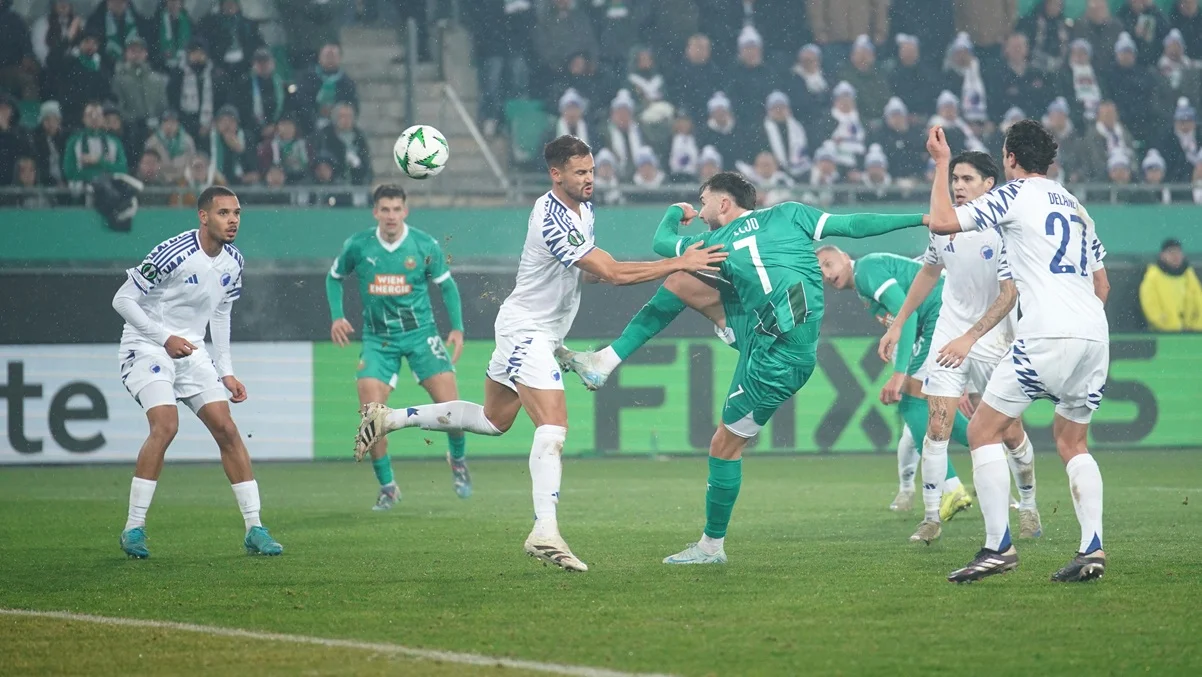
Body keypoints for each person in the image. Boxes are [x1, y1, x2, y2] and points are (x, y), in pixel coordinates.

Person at [351, 135, 727, 572]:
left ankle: (388, 418)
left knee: (494, 421)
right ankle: (544, 531)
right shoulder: (549, 216)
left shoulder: (584, 210)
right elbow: (610, 272)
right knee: (554, 426)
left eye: (591, 171)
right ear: (556, 174)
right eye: (580, 173)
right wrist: (677, 263)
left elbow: (595, 272)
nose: (590, 179)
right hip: (526, 330)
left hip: (539, 333)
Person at [647, 174, 931, 564]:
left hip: (776, 357)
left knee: (724, 445)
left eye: (704, 201)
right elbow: (854, 225)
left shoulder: (717, 241)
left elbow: (662, 244)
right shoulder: (789, 215)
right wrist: (920, 217)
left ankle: (711, 547)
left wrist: (672, 212)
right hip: (775, 346)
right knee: (725, 439)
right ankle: (731, 330)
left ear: (725, 203)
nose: (701, 209)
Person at [925, 120, 1110, 583]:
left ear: (1009, 159)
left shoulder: (1015, 194)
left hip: (1047, 332)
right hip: (1094, 332)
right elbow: (1102, 283)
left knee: (983, 432)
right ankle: (1092, 549)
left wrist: (943, 164)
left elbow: (945, 222)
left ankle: (997, 548)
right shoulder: (1076, 206)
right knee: (1072, 442)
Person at [877, 151, 1041, 544]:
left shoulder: (1005, 230)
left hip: (994, 340)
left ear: (990, 185)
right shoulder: (944, 227)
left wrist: (971, 339)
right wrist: (898, 323)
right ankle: (931, 517)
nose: (958, 186)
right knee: (938, 427)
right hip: (949, 337)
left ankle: (1030, 504)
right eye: (955, 178)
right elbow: (928, 273)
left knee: (1010, 430)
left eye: (967, 179)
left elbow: (1009, 294)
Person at [111, 186, 282, 559]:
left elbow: (220, 315)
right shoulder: (174, 252)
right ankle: (133, 528)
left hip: (191, 351)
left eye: (237, 213)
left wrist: (227, 372)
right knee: (166, 425)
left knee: (227, 428)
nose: (233, 220)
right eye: (223, 213)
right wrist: (163, 336)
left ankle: (254, 527)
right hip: (146, 345)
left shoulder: (234, 261)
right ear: (203, 216)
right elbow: (122, 299)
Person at [325, 184, 472, 508]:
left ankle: (458, 460)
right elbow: (333, 277)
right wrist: (337, 317)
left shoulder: (423, 245)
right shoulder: (358, 246)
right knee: (370, 417)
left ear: (405, 211)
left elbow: (447, 286)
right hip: (378, 340)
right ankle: (388, 486)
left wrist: (458, 329)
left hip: (422, 334)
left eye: (396, 209)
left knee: (453, 409)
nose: (391, 216)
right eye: (385, 210)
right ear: (375, 212)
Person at [816, 247, 974, 537]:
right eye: (821, 272)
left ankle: (953, 487)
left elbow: (908, 314)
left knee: (911, 401)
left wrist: (899, 375)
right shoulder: (864, 289)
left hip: (942, 316)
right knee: (918, 407)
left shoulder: (867, 270)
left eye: (828, 264)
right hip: (941, 319)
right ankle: (981, 446)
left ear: (843, 255)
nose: (827, 274)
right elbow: (905, 322)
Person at [1140, 238, 1202, 331]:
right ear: (1162, 255)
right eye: (1170, 252)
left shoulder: (1189, 275)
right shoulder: (1153, 277)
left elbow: (1199, 302)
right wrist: (1169, 329)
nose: (1175, 256)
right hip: (1163, 336)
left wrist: (1196, 328)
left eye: (1178, 252)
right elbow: (1151, 307)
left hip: (1191, 334)